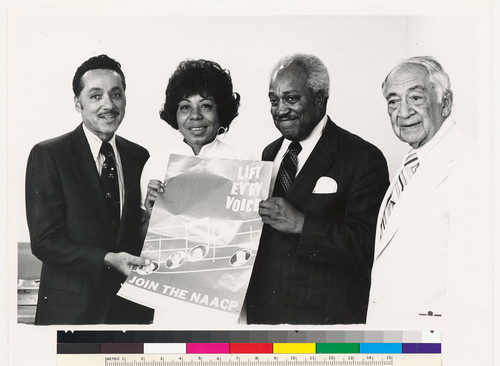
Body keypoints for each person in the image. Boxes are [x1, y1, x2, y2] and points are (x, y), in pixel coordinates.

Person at [244, 54, 390, 324]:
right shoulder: (269, 152)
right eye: (273, 101)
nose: (280, 110)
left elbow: (368, 245)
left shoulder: (362, 156)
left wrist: (302, 224)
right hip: (263, 314)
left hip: (324, 323)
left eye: (291, 98)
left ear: (320, 98)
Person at [25, 54, 153, 325]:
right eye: (96, 96)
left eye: (116, 94)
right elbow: (44, 241)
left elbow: (135, 231)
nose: (108, 104)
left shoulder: (139, 156)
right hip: (70, 312)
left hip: (130, 310)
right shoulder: (49, 154)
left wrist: (152, 216)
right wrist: (107, 259)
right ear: (77, 102)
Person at [367, 57, 484, 330]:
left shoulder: (472, 164)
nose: (403, 112)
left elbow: (473, 290)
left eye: (416, 98)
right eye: (393, 101)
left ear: (446, 103)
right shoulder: (414, 159)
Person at [142, 59, 241, 217]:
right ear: (175, 114)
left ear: (220, 112)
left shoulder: (242, 163)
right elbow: (141, 237)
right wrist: (151, 214)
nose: (195, 115)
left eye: (205, 106)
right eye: (185, 107)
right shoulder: (156, 164)